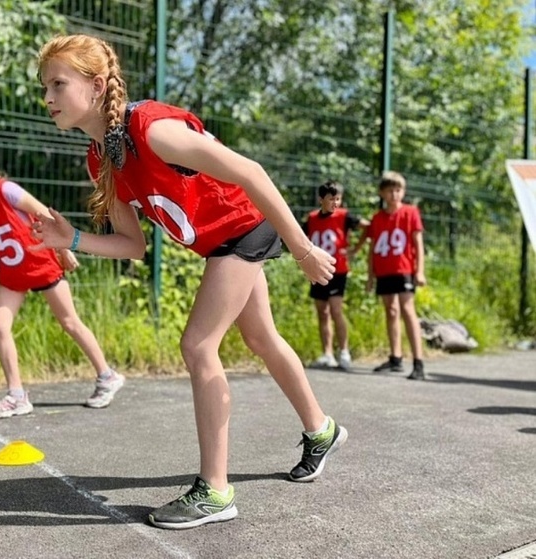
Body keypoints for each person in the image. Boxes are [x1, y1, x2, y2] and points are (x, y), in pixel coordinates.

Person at [33, 34, 347, 530]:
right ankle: (322, 429)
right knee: (261, 337)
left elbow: (252, 172)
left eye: (57, 83)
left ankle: (216, 492)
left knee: (198, 345)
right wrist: (71, 239)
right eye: (44, 86)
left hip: (245, 227)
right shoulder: (103, 157)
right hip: (222, 242)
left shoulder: (151, 129)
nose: (47, 97)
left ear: (95, 86)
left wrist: (304, 249)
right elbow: (131, 245)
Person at [0, 141, 124, 417]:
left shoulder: (5, 190)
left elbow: (45, 214)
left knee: (70, 322)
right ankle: (16, 396)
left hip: (40, 264)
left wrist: (64, 248)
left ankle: (107, 376)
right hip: (10, 276)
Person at [365, 171, 426, 380]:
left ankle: (418, 362)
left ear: (403, 192)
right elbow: (372, 248)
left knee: (408, 310)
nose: (394, 194)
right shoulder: (377, 218)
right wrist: (370, 276)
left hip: (404, 269)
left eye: (398, 190)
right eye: (390, 190)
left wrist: (420, 270)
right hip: (384, 271)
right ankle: (395, 358)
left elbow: (418, 244)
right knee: (391, 311)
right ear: (382, 193)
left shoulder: (410, 213)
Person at [304, 180, 369, 371]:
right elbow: (302, 239)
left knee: (335, 310)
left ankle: (344, 352)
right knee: (322, 312)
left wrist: (354, 250)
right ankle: (327, 354)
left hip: (337, 270)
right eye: (332, 199)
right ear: (321, 199)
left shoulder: (345, 216)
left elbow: (369, 227)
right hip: (318, 270)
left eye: (338, 199)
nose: (336, 203)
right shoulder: (312, 219)